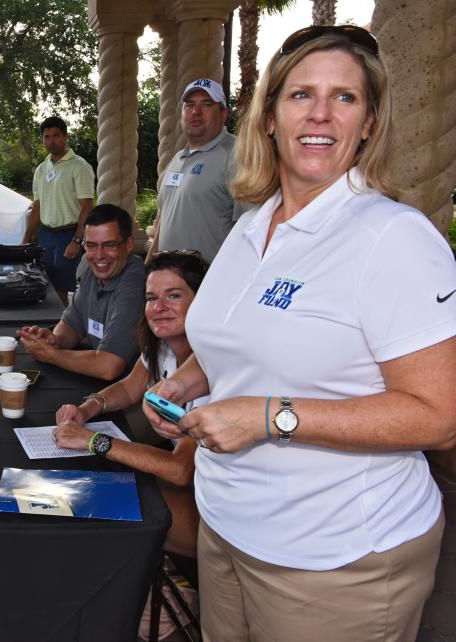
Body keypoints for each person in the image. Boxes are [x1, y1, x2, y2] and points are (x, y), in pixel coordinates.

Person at [145, 26, 456, 641]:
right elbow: (237, 339)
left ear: (369, 122)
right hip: (226, 527)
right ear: (269, 117)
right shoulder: (251, 225)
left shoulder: (394, 237)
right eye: (300, 95)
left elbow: (438, 414)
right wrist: (184, 381)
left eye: (345, 97)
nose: (320, 114)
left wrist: (269, 416)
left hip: (336, 558)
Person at [52, 249, 210, 558]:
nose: (160, 308)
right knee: (93, 482)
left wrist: (93, 440)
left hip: (211, 515)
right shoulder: (164, 345)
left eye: (174, 296)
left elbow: (180, 470)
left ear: (202, 301)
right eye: (152, 298)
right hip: (189, 490)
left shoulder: (211, 369)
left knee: (88, 495)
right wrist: (87, 409)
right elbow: (129, 387)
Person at [19, 204, 145, 381]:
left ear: (129, 245)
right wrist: (54, 341)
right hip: (95, 381)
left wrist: (52, 355)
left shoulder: (135, 286)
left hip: (132, 399)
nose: (99, 255)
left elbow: (109, 366)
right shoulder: (94, 271)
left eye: (109, 245)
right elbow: (73, 326)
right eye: (91, 245)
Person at [148, 78, 242, 264]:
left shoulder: (239, 155)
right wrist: (148, 268)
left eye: (207, 104)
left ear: (223, 114)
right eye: (189, 105)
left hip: (211, 283)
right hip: (169, 284)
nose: (196, 112)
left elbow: (254, 228)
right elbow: (163, 220)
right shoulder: (177, 159)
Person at [22, 116, 95, 306]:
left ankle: (64, 327)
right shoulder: (41, 169)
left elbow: (87, 205)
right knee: (47, 281)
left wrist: (77, 240)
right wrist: (26, 238)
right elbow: (37, 206)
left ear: (65, 137)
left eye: (56, 136)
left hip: (68, 234)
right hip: (46, 234)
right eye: (47, 137)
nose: (51, 141)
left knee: (63, 286)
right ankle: (55, 326)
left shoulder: (79, 166)